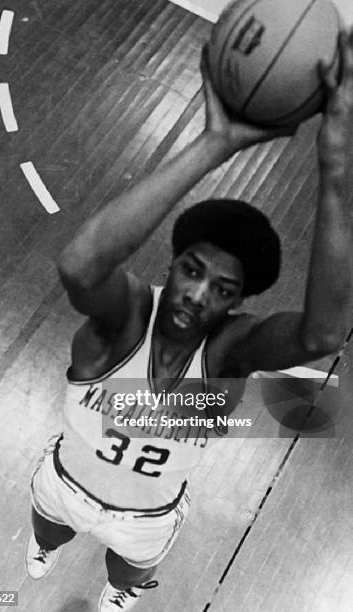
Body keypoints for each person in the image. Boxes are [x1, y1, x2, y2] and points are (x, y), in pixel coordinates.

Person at [25, 30, 353, 612]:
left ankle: (119, 590)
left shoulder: (230, 352)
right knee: (47, 532)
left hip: (145, 517)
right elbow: (78, 266)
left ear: (237, 302)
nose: (198, 293)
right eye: (191, 270)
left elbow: (323, 336)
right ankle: (45, 548)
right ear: (172, 265)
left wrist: (333, 171)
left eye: (222, 288)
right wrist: (215, 142)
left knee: (126, 574)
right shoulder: (124, 322)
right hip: (65, 484)